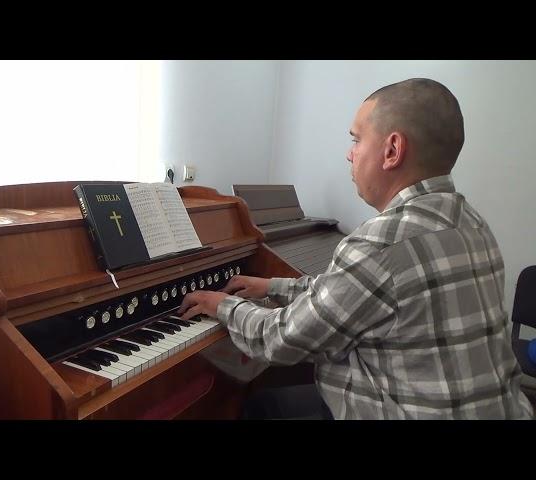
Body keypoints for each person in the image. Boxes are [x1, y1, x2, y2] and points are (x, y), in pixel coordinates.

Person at [178, 78, 535, 420]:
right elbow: (351, 290)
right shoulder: (472, 222)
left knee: (262, 405)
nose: (350, 155)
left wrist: (222, 304)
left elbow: (279, 339)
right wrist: (272, 286)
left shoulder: (382, 242)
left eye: (357, 139)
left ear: (392, 150)